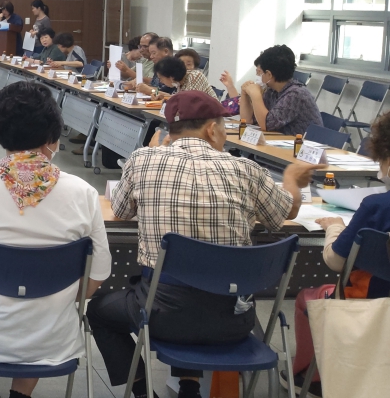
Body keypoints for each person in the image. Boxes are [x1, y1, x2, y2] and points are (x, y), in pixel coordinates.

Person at [87, 91, 320, 398]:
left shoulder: (142, 159)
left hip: (161, 316)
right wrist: (291, 178)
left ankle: (142, 392)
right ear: (212, 129)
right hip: (234, 320)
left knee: (99, 311)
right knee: (201, 280)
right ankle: (189, 388)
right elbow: (287, 211)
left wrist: (149, 156)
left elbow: (120, 209)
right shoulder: (246, 169)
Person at [0, 82, 110, 398]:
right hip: (53, 341)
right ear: (53, 136)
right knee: (44, 305)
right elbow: (95, 279)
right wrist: (46, 289)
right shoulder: (83, 194)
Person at [286, 111, 390, 395]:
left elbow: (335, 260)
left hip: (369, 304)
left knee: (307, 297)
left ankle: (311, 377)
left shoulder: (376, 206)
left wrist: (335, 228)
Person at [221, 45, 322, 137]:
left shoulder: (296, 94)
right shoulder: (272, 91)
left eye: (259, 72)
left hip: (302, 147)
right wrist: (244, 93)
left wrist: (256, 95)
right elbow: (248, 120)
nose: (257, 76)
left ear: (269, 74)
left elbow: (266, 124)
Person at [152, 56, 218, 100]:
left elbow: (188, 103)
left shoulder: (195, 76)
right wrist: (163, 97)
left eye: (161, 78)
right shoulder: (179, 83)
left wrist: (166, 98)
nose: (160, 81)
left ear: (171, 77)